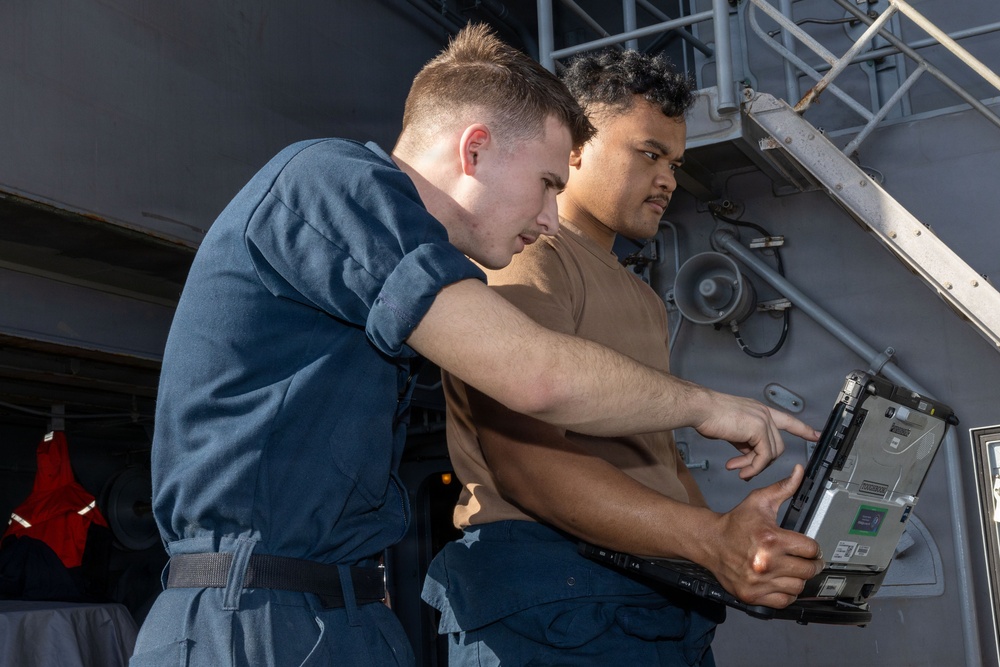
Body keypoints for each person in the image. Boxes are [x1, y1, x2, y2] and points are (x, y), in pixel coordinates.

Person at [132, 24, 818, 667]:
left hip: (345, 610)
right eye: (547, 184)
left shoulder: (403, 261)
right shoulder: (329, 181)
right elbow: (535, 376)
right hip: (252, 613)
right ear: (475, 149)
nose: (550, 219)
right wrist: (708, 405)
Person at [422, 49, 825, 666]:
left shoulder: (641, 296)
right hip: (557, 596)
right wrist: (709, 539)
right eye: (649, 153)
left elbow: (656, 461)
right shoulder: (526, 257)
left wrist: (740, 546)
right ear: (574, 149)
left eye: (675, 163)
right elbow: (527, 466)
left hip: (650, 594)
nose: (668, 179)